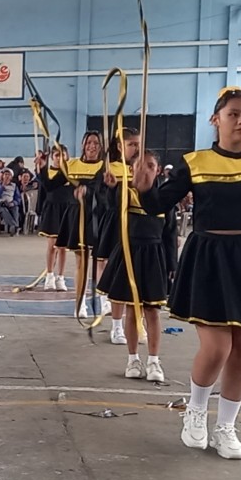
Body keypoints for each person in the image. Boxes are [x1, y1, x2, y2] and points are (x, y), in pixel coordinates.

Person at [134, 87, 241, 460]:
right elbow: (158, 205)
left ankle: (226, 428)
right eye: (234, 114)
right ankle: (195, 411)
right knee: (217, 348)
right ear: (216, 119)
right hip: (209, 259)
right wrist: (145, 187)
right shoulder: (194, 163)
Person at [97, 152, 177, 383]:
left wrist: (172, 263)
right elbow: (110, 207)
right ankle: (133, 359)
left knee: (152, 311)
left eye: (150, 166)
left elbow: (170, 233)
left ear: (158, 170)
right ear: (131, 170)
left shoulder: (164, 197)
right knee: (132, 310)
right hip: (129, 254)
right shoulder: (124, 192)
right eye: (140, 166)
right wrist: (111, 188)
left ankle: (154, 360)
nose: (145, 170)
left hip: (155, 257)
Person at [95, 129, 142, 342]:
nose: (136, 148)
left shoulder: (144, 166)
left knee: (138, 276)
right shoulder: (109, 169)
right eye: (131, 144)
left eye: (138, 143)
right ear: (120, 146)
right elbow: (102, 200)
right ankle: (116, 326)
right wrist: (112, 188)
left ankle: (137, 324)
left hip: (139, 226)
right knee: (117, 274)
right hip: (116, 224)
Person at [52, 132, 104, 318]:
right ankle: (80, 303)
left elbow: (103, 189)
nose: (92, 146)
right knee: (81, 261)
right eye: (88, 142)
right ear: (83, 145)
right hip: (77, 215)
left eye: (96, 143)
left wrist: (88, 191)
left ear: (101, 146)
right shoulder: (71, 165)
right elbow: (50, 185)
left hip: (99, 215)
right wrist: (42, 168)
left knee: (102, 261)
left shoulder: (106, 166)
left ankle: (104, 301)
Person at [37, 147, 72, 291]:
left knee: (63, 247)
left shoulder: (71, 172)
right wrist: (41, 168)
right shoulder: (47, 172)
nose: (60, 158)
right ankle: (49, 275)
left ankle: (61, 277)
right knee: (52, 245)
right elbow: (45, 190)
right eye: (57, 155)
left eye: (63, 155)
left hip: (67, 210)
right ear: (52, 157)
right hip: (52, 210)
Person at [0, 169, 21, 234]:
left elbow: (18, 198)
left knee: (16, 208)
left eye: (9, 175)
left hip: (10, 203)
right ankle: (15, 226)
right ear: (3, 176)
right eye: (5, 174)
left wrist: (13, 203)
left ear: (11, 177)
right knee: (4, 210)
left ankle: (13, 228)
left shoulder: (14, 185)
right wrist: (2, 186)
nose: (7, 176)